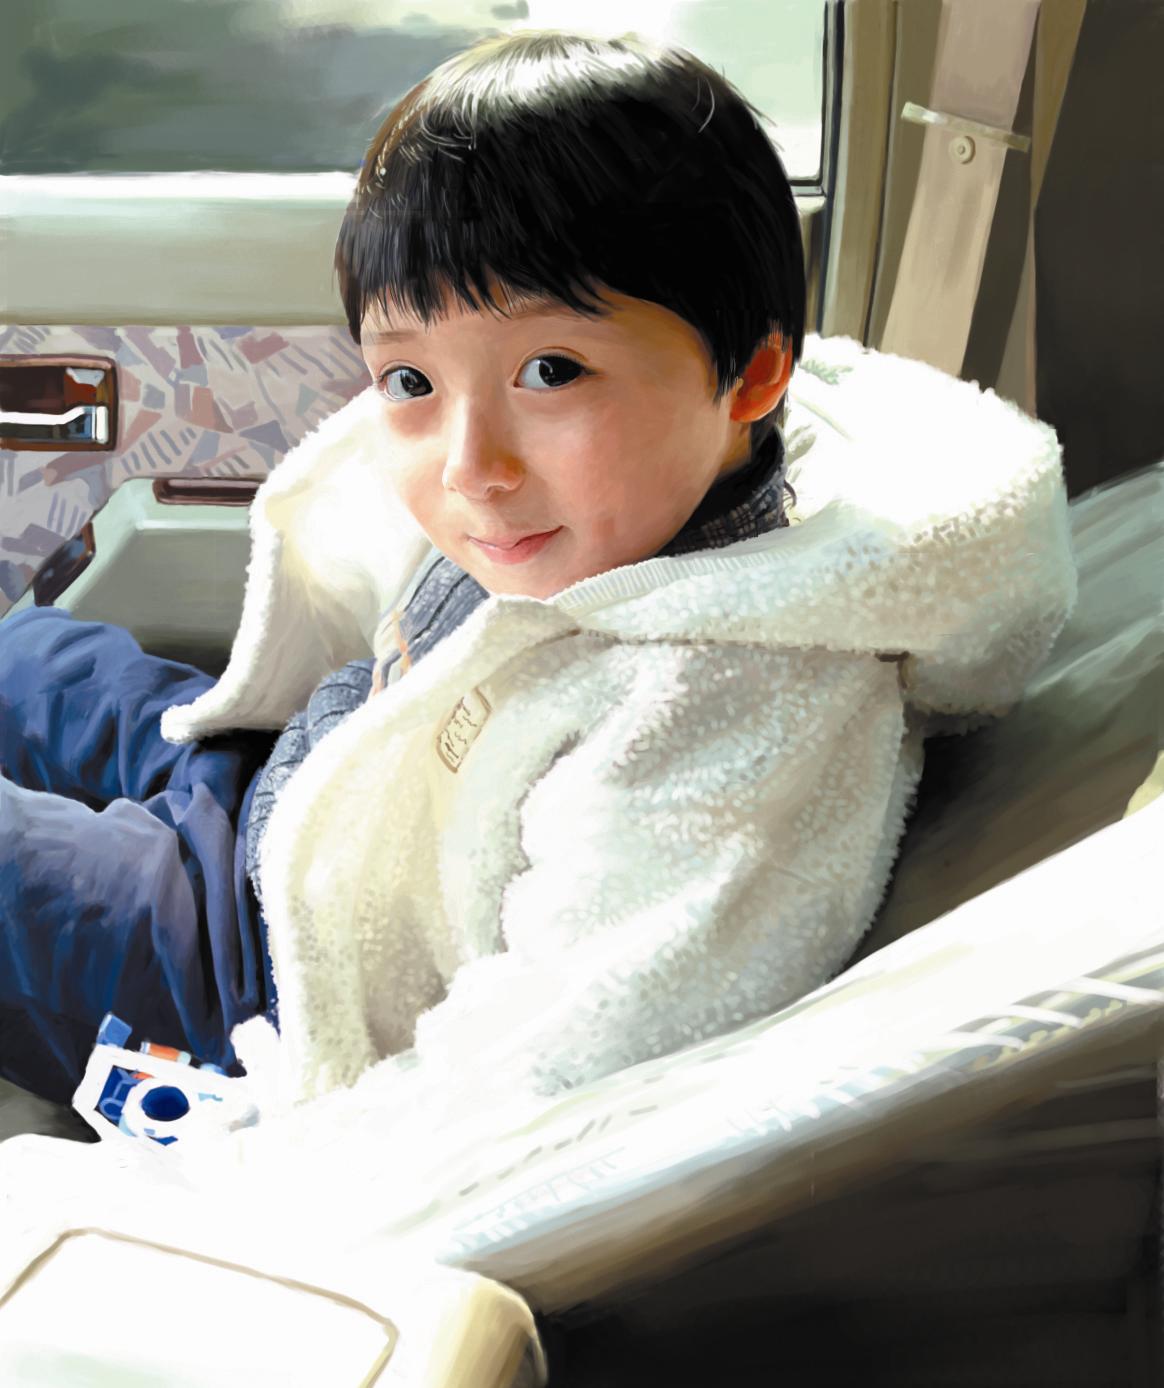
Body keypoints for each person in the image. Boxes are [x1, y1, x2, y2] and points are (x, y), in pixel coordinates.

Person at [0, 30, 1076, 1117]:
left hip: (262, 968)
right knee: (23, 653)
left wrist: (264, 1151)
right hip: (312, 797)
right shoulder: (619, 519)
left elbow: (550, 1065)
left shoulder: (726, 714)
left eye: (552, 370)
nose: (470, 466)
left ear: (751, 375)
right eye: (410, 380)